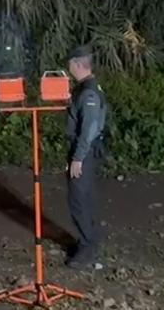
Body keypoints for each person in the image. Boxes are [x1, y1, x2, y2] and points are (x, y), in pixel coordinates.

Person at [64, 45, 108, 270]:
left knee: (79, 201)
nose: (68, 67)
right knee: (86, 198)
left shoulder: (88, 92)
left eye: (70, 63)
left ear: (78, 64)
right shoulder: (85, 88)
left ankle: (87, 249)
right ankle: (88, 242)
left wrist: (78, 158)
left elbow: (88, 129)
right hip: (86, 151)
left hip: (84, 152)